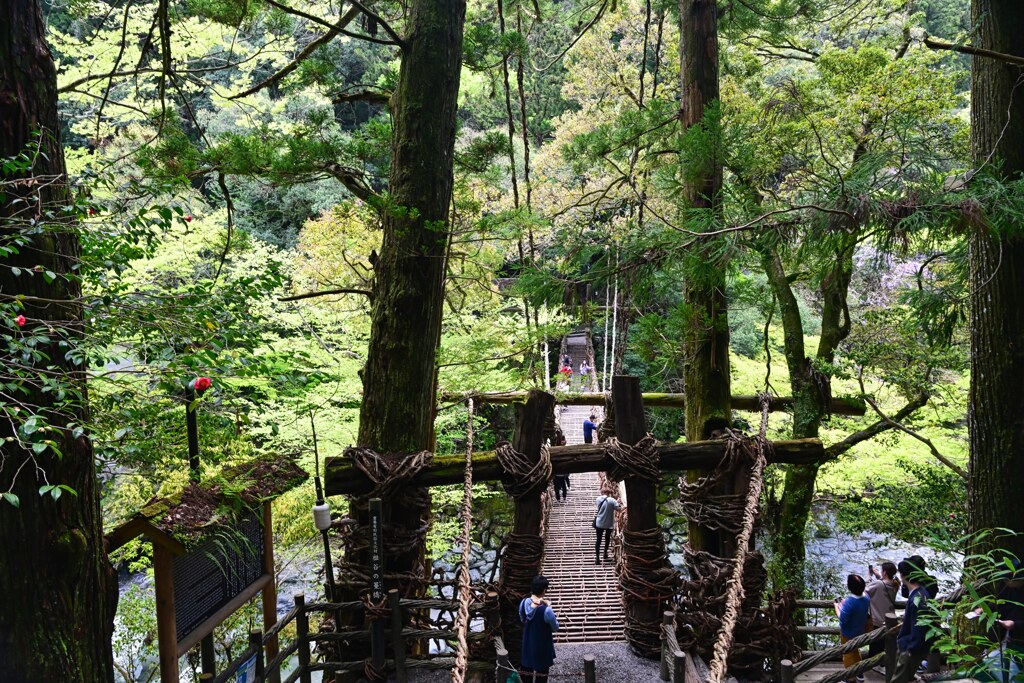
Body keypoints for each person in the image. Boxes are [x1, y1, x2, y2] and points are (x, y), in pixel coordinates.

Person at [972, 559, 1024, 683]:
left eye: (1008, 580)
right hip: (1008, 635)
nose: (1006, 583)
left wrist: (1015, 624)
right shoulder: (1006, 586)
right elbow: (999, 602)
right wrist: (984, 609)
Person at [891, 559, 930, 683]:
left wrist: (909, 650)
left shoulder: (917, 600)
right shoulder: (920, 593)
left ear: (905, 576)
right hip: (909, 646)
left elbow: (918, 629)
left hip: (910, 650)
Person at [519, 575, 560, 682]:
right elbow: (555, 627)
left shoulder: (523, 603)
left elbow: (522, 619)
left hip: (528, 644)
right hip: (542, 646)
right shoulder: (546, 610)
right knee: (541, 677)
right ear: (544, 590)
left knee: (526, 675)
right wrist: (549, 606)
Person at [835, 574, 871, 683]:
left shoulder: (850, 602)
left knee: (848, 654)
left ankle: (850, 678)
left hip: (848, 633)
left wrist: (836, 606)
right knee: (856, 651)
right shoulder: (866, 598)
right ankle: (860, 674)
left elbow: (842, 619)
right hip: (859, 631)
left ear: (850, 587)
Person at [866, 562, 901, 660]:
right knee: (882, 646)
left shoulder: (878, 584)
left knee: (874, 647)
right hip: (889, 621)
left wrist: (868, 576)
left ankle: (873, 666)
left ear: (884, 572)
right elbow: (883, 585)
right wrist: (878, 576)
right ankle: (881, 663)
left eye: (882, 571)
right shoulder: (895, 584)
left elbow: (865, 589)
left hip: (877, 621)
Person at [594, 493, 622, 565]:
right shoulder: (612, 500)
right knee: (607, 538)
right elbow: (619, 509)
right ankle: (605, 553)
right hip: (608, 523)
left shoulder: (598, 499)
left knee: (598, 539)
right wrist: (619, 503)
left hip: (599, 522)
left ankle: (597, 558)